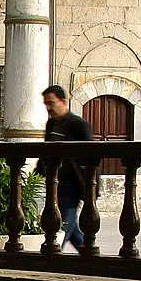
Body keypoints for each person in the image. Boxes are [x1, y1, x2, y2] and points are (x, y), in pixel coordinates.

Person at [41, 85, 94, 252]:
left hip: (73, 182)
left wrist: (91, 185)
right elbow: (47, 150)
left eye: (51, 103)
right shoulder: (51, 124)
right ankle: (88, 255)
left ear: (62, 101)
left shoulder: (78, 125)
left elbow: (92, 156)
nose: (48, 108)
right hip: (55, 180)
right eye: (46, 104)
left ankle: (53, 256)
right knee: (69, 225)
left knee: (65, 221)